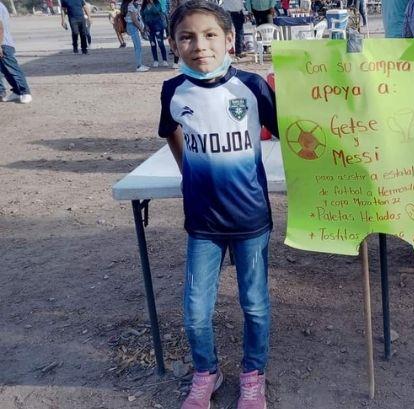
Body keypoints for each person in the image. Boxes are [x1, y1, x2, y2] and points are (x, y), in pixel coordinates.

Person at [161, 1, 278, 408]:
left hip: (250, 219)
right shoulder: (174, 90)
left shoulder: (252, 86)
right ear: (173, 43)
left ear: (229, 38)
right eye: (187, 36)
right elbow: (170, 133)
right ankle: (206, 372)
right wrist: (189, 172)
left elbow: (295, 131)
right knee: (195, 311)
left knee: (255, 304)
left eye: (210, 34)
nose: (200, 45)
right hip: (203, 223)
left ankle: (253, 374)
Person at [0, 1, 31, 104]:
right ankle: (17, 91)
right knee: (5, 71)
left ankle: (25, 92)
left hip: (4, 43)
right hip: (3, 43)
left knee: (12, 69)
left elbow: (0, 27)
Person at [122, 0, 150, 71]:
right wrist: (141, 28)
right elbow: (134, 20)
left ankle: (140, 64)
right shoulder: (131, 6)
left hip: (131, 26)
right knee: (138, 47)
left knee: (137, 46)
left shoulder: (130, 5)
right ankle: (139, 66)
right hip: (132, 26)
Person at [141, 0, 170, 67]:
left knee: (160, 43)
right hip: (148, 26)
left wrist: (152, 4)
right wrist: (145, 25)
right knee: (152, 44)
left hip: (158, 25)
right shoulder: (144, 5)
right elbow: (142, 16)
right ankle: (155, 60)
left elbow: (156, 11)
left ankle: (164, 60)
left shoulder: (157, 4)